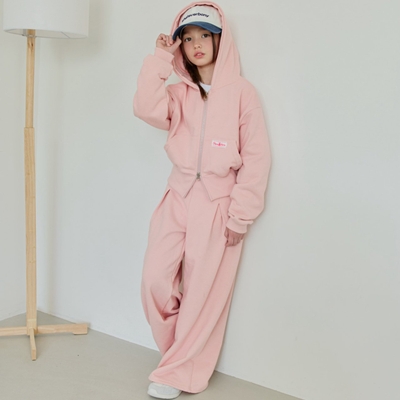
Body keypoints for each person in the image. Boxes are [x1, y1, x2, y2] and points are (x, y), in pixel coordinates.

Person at [133, 2, 271, 399]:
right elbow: (145, 108)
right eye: (188, 38)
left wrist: (240, 215)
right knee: (154, 279)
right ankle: (177, 357)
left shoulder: (242, 93)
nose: (196, 44)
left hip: (218, 203)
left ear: (220, 41)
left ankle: (179, 373)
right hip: (177, 195)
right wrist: (160, 59)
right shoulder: (178, 93)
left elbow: (257, 157)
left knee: (202, 293)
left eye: (204, 36)